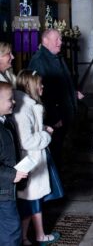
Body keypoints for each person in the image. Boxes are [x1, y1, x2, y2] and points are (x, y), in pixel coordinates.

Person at [13, 70, 63, 245]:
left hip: (35, 159)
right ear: (30, 86)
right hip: (31, 161)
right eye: (39, 84)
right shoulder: (23, 109)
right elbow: (27, 140)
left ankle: (26, 237)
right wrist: (45, 134)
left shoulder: (27, 104)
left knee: (32, 202)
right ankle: (38, 236)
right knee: (32, 202)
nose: (42, 86)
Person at [28, 29, 83, 169]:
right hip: (54, 118)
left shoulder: (56, 56)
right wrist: (54, 117)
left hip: (64, 114)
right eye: (57, 39)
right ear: (45, 41)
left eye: (60, 39)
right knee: (53, 154)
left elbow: (61, 83)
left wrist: (73, 92)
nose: (61, 42)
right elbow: (41, 94)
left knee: (60, 152)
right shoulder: (39, 60)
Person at [0, 81, 28, 245]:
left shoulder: (6, 121)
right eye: (10, 99)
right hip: (3, 192)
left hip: (6, 189)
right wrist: (12, 174)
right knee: (11, 233)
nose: (14, 102)